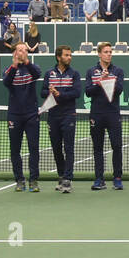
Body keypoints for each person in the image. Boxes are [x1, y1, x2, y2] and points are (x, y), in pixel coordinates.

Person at [2, 42, 42, 193]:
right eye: (20, 50)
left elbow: (37, 74)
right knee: (15, 149)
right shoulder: (9, 70)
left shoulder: (33, 68)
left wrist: (26, 62)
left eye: (25, 50)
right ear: (15, 53)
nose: (22, 52)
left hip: (32, 114)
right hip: (14, 115)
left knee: (33, 148)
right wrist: (14, 65)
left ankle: (33, 180)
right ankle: (19, 179)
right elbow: (6, 83)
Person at [85, 42, 125, 191]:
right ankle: (99, 179)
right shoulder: (91, 71)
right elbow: (88, 91)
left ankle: (117, 178)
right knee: (98, 148)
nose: (109, 54)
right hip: (97, 114)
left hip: (113, 113)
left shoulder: (118, 71)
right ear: (99, 54)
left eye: (110, 52)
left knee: (117, 146)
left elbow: (119, 90)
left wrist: (109, 81)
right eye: (106, 52)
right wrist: (100, 83)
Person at [42, 46, 81, 193]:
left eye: (70, 55)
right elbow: (42, 92)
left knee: (68, 148)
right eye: (66, 55)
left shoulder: (74, 74)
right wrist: (50, 91)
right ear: (59, 57)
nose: (69, 57)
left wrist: (59, 94)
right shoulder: (49, 74)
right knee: (56, 148)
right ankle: (61, 175)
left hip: (68, 115)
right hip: (53, 116)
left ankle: (68, 179)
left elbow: (76, 92)